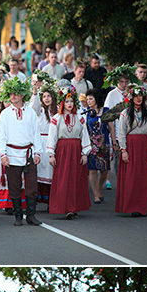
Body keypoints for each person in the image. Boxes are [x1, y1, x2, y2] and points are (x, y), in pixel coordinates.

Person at [0, 79, 42, 226]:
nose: (13, 96)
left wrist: (37, 152)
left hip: (28, 154)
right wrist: (2, 154)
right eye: (11, 94)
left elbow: (36, 133)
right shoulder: (5, 114)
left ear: (23, 95)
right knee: (14, 186)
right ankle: (17, 216)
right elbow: (0, 136)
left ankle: (30, 215)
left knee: (32, 187)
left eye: (16, 93)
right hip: (11, 154)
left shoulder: (30, 113)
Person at [115, 85, 147, 217]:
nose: (138, 98)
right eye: (136, 96)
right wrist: (123, 150)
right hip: (131, 147)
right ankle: (131, 205)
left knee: (144, 177)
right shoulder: (125, 113)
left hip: (145, 147)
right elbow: (121, 133)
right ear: (131, 98)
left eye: (140, 96)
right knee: (131, 177)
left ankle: (143, 205)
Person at [47, 89, 91, 219]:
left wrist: (84, 153)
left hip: (76, 150)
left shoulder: (80, 117)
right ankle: (63, 206)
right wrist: (51, 154)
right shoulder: (57, 118)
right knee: (63, 179)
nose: (69, 104)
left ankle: (74, 207)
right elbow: (52, 137)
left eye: (71, 101)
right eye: (67, 101)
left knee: (76, 178)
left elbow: (84, 135)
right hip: (63, 151)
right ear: (62, 103)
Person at [85, 90, 111, 203]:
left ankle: (99, 188)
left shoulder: (105, 111)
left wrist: (114, 142)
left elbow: (111, 127)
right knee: (93, 170)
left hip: (104, 144)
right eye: (87, 99)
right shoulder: (85, 112)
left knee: (104, 169)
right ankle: (96, 194)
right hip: (91, 144)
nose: (88, 101)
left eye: (90, 99)